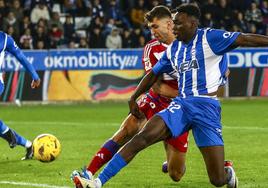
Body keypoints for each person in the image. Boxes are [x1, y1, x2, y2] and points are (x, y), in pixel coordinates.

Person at [74, 3, 268, 187]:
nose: (174, 27)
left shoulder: (210, 38)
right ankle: (98, 182)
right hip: (181, 105)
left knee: (215, 179)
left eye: (178, 23)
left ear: (193, 23)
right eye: (173, 22)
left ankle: (227, 173)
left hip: (207, 108)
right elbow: (153, 75)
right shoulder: (174, 49)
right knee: (142, 137)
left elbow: (244, 38)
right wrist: (133, 97)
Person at [71, 5, 189, 187]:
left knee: (176, 174)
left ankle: (173, 161)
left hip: (181, 108)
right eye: (150, 28)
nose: (152, 32)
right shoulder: (152, 49)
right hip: (156, 100)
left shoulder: (189, 44)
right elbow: (157, 87)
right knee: (126, 130)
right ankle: (88, 172)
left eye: (155, 26)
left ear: (169, 24)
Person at [0, 31, 41, 160]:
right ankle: (27, 144)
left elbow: (20, 56)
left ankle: (9, 134)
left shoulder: (5, 39)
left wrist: (34, 75)